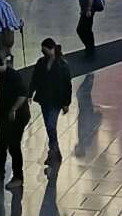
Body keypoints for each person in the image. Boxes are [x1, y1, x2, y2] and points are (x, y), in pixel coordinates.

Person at [0, 53, 30, 190]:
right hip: (4, 118)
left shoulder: (13, 76)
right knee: (1, 145)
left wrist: (13, 109)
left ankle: (18, 177)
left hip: (17, 118)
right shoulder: (2, 76)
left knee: (14, 146)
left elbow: (23, 94)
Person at [29, 37, 72, 165]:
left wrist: (66, 103)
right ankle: (55, 152)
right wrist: (30, 93)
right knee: (49, 126)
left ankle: (53, 152)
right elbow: (35, 78)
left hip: (56, 101)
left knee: (51, 125)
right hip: (44, 99)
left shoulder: (62, 65)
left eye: (45, 50)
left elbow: (67, 85)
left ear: (52, 49)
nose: (43, 52)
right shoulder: (41, 62)